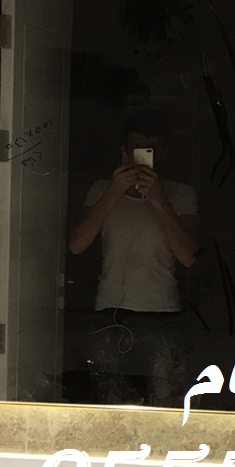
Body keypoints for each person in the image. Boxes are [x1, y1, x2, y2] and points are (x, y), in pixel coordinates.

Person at [67, 125, 199, 405]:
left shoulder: (180, 194)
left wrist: (158, 199)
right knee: (110, 404)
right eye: (137, 149)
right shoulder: (102, 190)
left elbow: (188, 255)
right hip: (109, 312)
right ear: (124, 153)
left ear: (164, 152)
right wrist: (114, 191)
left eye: (152, 149)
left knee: (164, 403)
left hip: (163, 314)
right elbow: (77, 244)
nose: (144, 157)